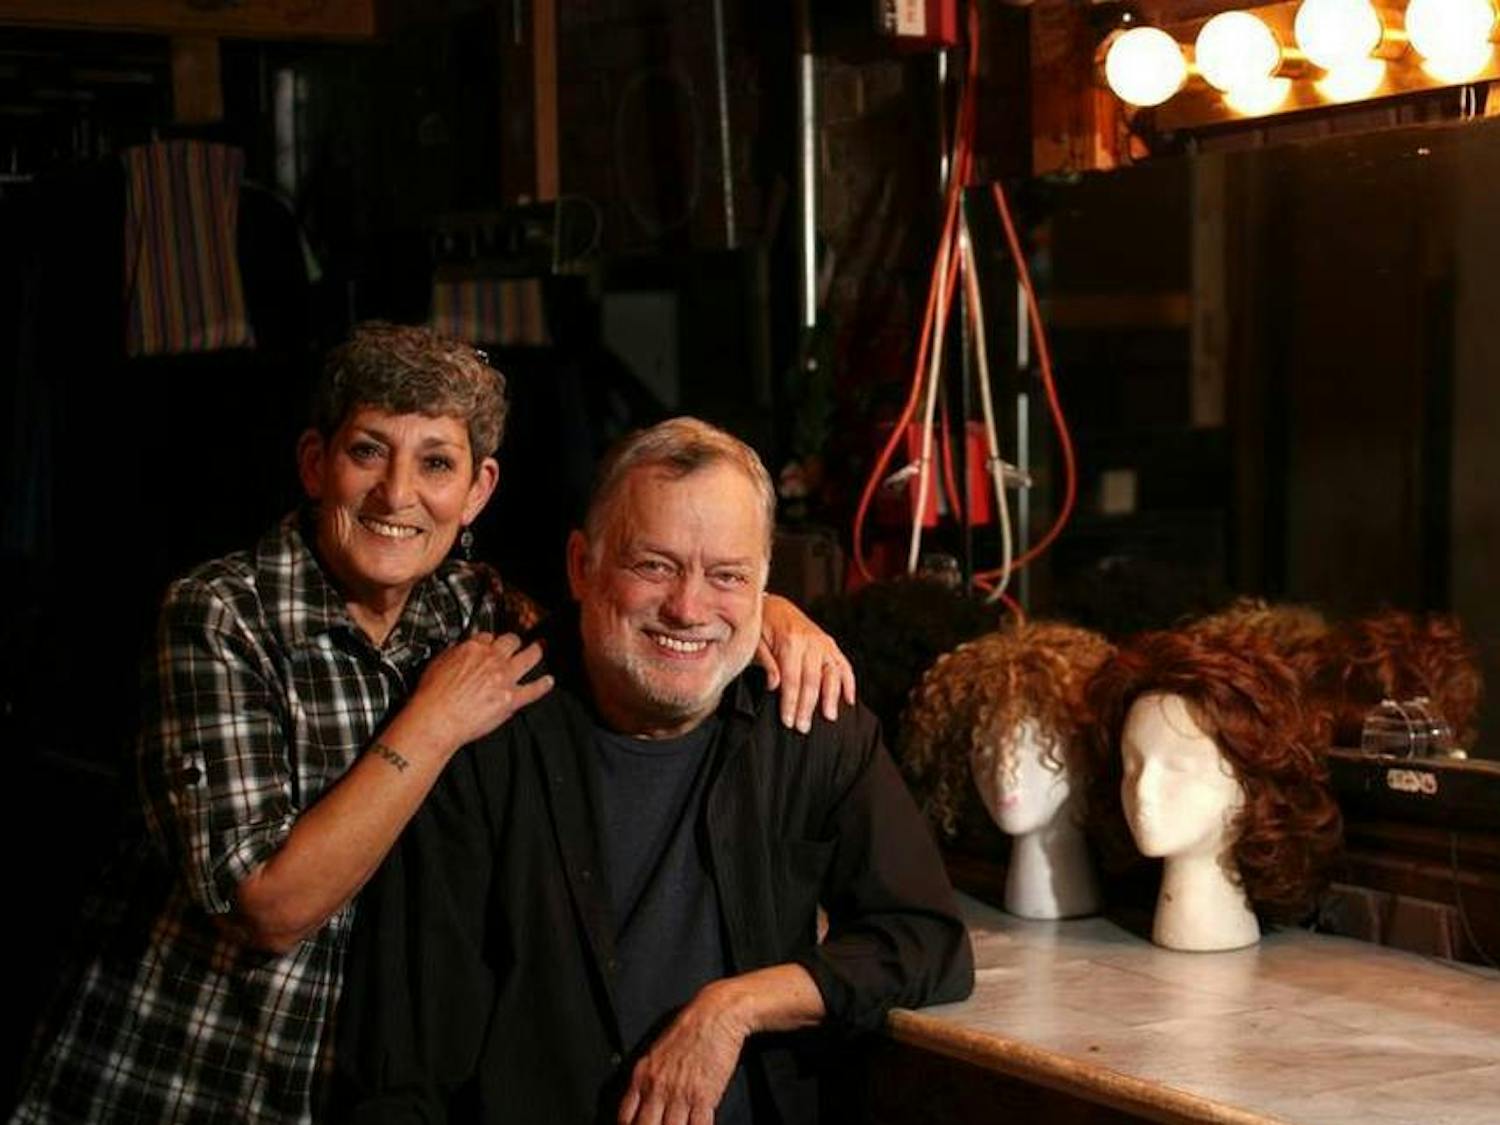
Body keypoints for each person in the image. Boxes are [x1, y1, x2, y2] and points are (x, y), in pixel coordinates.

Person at [11, 327, 853, 1124]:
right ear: (315, 463)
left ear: (479, 488)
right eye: (367, 450)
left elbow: (628, 605)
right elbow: (269, 904)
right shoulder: (220, 617)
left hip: (351, 1090)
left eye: (436, 462)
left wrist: (765, 612)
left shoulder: (471, 605)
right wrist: (432, 721)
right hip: (182, 1081)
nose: (397, 494)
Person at [337, 417, 974, 1124]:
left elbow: (927, 940)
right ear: (582, 565)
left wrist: (735, 1006)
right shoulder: (486, 735)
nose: (690, 607)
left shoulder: (805, 720)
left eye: (726, 575)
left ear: (764, 588)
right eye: (655, 565)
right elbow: (404, 1069)